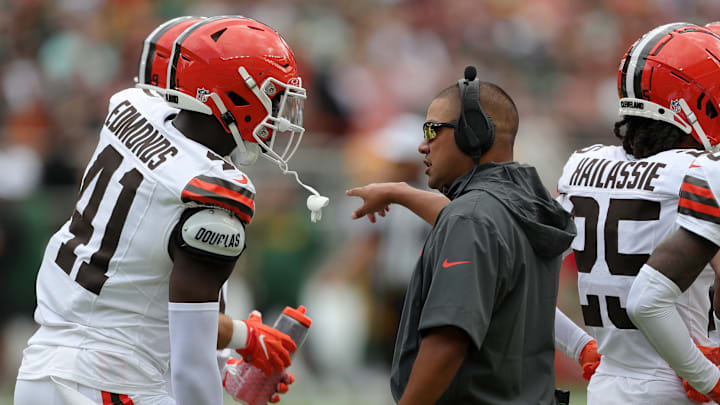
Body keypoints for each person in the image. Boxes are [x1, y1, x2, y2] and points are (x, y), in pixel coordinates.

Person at [14, 16, 327, 405]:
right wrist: (215, 372)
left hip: (44, 368)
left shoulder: (132, 109)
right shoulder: (211, 190)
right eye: (274, 96)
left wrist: (233, 355)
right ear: (235, 95)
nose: (280, 112)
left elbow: (145, 291)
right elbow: (190, 361)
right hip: (113, 384)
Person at [363, 66, 576, 404]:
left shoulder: (472, 218)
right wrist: (400, 191)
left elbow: (447, 343)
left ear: (472, 134)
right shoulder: (521, 204)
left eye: (432, 131)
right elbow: (466, 216)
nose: (423, 145)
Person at [623, 22, 720, 405]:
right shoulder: (703, 172)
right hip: (681, 380)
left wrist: (581, 346)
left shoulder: (590, 165)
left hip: (611, 378)